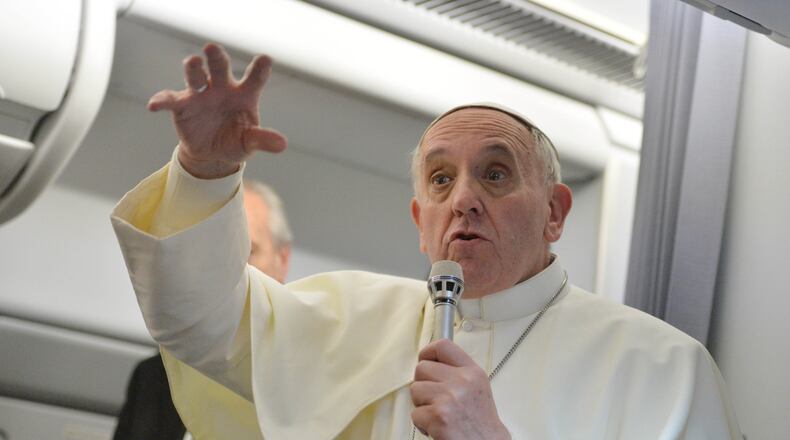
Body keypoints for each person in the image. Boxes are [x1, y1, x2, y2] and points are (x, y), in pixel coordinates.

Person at [111, 43, 741, 439]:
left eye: (495, 173)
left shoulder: (662, 369)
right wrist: (205, 172)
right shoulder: (346, 316)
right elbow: (197, 320)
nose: (464, 197)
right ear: (421, 220)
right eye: (441, 179)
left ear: (555, 212)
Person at [112, 179, 292, 440]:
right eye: (217, 254)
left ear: (282, 260)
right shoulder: (154, 379)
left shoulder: (304, 374)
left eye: (249, 250)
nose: (232, 270)